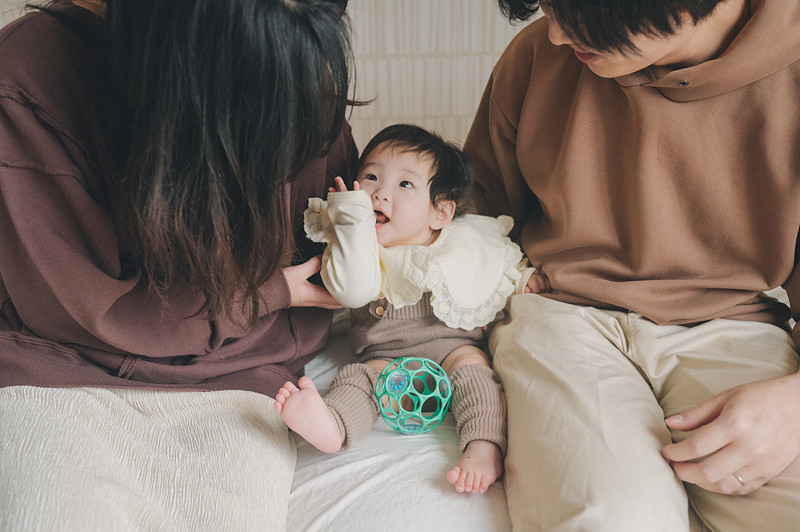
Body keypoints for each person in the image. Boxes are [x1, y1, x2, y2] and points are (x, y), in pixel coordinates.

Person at [0, 0, 358, 527]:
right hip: (66, 373)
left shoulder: (289, 51)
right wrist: (267, 293)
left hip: (242, 378)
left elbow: (328, 253)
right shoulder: (29, 75)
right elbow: (82, 313)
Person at [465, 0, 800, 529]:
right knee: (610, 518)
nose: (553, 34)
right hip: (560, 316)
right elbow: (475, 224)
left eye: (574, 13)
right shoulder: (537, 58)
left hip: (738, 327)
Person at [274, 123, 548, 494]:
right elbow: (343, 280)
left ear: (440, 213)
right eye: (370, 177)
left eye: (405, 185)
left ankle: (483, 446)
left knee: (476, 375)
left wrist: (523, 278)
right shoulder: (357, 246)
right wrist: (348, 222)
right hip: (384, 356)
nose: (380, 193)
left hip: (452, 346)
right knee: (360, 380)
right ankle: (333, 425)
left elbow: (493, 261)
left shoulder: (459, 240)